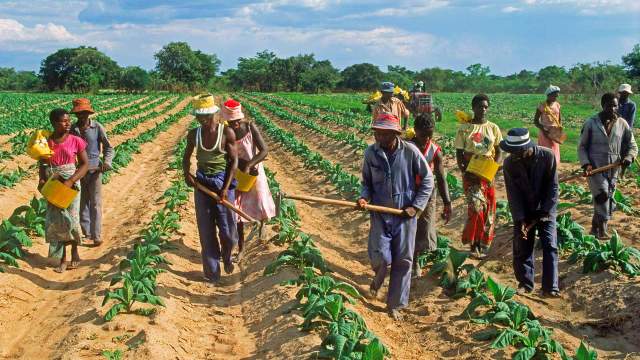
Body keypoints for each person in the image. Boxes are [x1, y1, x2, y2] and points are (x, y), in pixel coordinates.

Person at [358, 113, 434, 321]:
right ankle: (378, 280)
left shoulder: (410, 152)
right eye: (377, 133)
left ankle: (395, 305)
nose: (379, 138)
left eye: (384, 134)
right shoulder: (371, 153)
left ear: (395, 134)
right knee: (381, 256)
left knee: (403, 260)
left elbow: (428, 181)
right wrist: (364, 198)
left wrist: (416, 207)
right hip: (380, 213)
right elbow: (366, 182)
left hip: (404, 214)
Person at [182, 94, 239, 284]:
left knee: (228, 231)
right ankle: (212, 274)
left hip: (223, 182)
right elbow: (186, 157)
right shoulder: (194, 134)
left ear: (214, 114)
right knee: (206, 232)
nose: (202, 120)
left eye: (205, 116)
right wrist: (187, 175)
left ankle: (227, 255)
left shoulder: (226, 133)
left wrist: (224, 189)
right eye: (199, 117)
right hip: (203, 184)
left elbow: (234, 161)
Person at [501, 128, 560, 297]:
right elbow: (513, 194)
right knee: (522, 245)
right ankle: (525, 284)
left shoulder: (547, 156)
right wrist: (520, 219)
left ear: (528, 146)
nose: (515, 155)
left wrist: (544, 211)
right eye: (512, 152)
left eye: (518, 152)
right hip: (524, 209)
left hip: (545, 208)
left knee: (550, 245)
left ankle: (551, 287)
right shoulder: (510, 163)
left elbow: (553, 187)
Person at [221, 99, 275, 261]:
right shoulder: (224, 132)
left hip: (254, 172)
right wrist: (238, 165)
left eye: (237, 120)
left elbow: (264, 151)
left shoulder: (250, 127)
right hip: (235, 173)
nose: (235, 124)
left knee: (260, 203)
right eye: (231, 122)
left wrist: (249, 164)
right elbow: (225, 155)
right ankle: (241, 248)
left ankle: (262, 228)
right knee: (237, 209)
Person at [578, 93, 637, 239]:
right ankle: (602, 230)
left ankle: (593, 227)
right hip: (595, 169)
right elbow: (582, 147)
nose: (612, 108)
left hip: (613, 169)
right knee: (602, 195)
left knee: (607, 197)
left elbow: (632, 145)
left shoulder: (622, 124)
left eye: (615, 105)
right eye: (609, 105)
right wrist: (586, 164)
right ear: (602, 105)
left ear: (618, 106)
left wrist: (629, 157)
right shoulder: (591, 123)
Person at [39, 108, 89, 273]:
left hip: (71, 184)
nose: (68, 123)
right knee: (58, 221)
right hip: (54, 184)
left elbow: (84, 165)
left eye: (68, 120)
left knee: (72, 220)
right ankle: (62, 258)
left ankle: (75, 251)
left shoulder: (75, 140)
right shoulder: (46, 143)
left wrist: (71, 180)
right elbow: (43, 165)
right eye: (64, 121)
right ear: (54, 123)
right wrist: (41, 180)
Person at [454, 94, 503, 258]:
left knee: (489, 209)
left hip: (487, 173)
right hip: (471, 173)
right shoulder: (465, 128)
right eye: (480, 106)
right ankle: (473, 244)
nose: (483, 109)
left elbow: (499, 150)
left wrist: (494, 168)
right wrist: (464, 171)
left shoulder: (493, 128)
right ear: (473, 107)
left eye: (485, 107)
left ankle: (483, 243)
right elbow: (459, 153)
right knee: (476, 209)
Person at [408, 113, 451, 277]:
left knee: (423, 227)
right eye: (423, 134)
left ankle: (416, 260)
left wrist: (447, 202)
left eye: (430, 134)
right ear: (415, 131)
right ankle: (408, 258)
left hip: (426, 193)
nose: (426, 138)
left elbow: (441, 178)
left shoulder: (435, 151)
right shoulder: (407, 147)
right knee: (408, 225)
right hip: (408, 191)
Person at [70, 98, 113, 246]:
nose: (81, 116)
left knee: (95, 203)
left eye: (84, 113)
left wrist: (107, 162)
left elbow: (109, 147)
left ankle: (96, 235)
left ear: (88, 113)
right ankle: (86, 232)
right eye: (79, 114)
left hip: (95, 169)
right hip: (78, 170)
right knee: (82, 203)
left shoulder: (97, 127)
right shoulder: (72, 129)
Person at [533, 85, 564, 164]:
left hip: (554, 133)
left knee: (554, 151)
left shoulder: (557, 105)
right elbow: (536, 121)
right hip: (544, 133)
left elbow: (559, 118)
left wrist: (559, 128)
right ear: (549, 95)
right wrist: (544, 130)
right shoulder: (542, 106)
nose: (557, 96)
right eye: (555, 95)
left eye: (557, 95)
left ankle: (554, 166)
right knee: (546, 152)